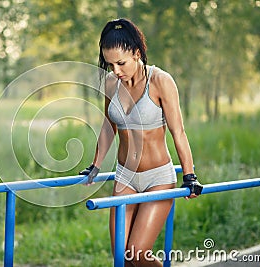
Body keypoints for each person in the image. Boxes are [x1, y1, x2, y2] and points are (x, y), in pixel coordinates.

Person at [79, 18, 202, 266]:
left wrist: (189, 175)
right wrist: (95, 164)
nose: (116, 70)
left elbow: (178, 132)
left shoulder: (161, 81)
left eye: (121, 63)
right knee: (121, 256)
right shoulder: (111, 84)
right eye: (110, 64)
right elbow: (107, 126)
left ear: (137, 53)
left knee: (137, 252)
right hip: (125, 176)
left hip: (158, 178)